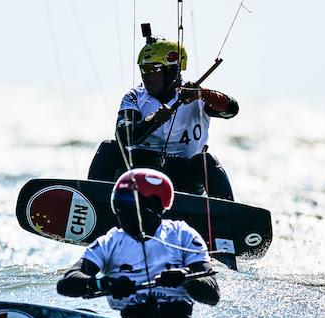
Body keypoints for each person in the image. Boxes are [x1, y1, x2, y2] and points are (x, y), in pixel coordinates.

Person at [56, 168, 220, 318]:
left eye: (127, 201)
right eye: (117, 203)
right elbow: (66, 282)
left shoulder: (183, 234)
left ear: (154, 204)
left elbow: (212, 294)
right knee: (82, 316)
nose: (120, 209)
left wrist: (186, 278)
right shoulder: (110, 241)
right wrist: (102, 283)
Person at [87, 36, 239, 201]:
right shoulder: (134, 97)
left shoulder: (196, 95)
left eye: (153, 70)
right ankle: (91, 202)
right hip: (141, 171)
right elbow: (123, 136)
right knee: (109, 148)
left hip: (183, 177)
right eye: (143, 69)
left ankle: (227, 215)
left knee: (206, 161)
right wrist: (153, 120)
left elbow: (231, 110)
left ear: (172, 71)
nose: (146, 76)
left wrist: (204, 94)